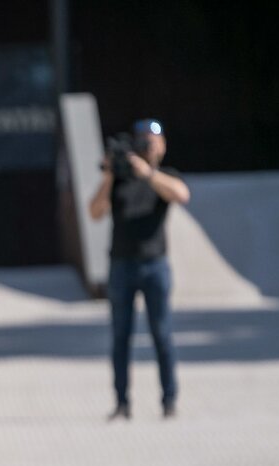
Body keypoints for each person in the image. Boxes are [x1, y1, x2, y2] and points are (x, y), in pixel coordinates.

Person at [89, 118, 191, 420]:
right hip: (121, 265)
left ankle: (169, 401)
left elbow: (182, 195)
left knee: (162, 334)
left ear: (162, 146)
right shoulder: (120, 180)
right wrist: (109, 176)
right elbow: (94, 212)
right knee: (121, 337)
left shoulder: (164, 177)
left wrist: (148, 173)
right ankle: (121, 403)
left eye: (152, 142)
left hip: (155, 265)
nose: (147, 147)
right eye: (142, 141)